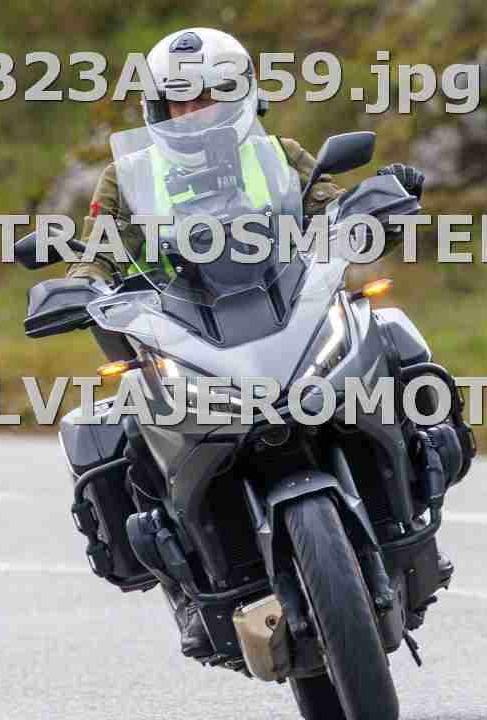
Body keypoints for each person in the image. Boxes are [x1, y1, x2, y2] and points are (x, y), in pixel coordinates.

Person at [66, 27, 434, 660]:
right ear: (158, 108)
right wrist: (78, 289)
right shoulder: (126, 180)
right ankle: (183, 581)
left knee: (391, 338)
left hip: (288, 310)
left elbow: (332, 211)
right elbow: (97, 256)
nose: (193, 111)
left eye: (208, 96)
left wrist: (379, 207)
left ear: (240, 96)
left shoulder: (279, 156)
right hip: (186, 333)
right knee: (126, 425)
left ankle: (421, 474)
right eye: (179, 100)